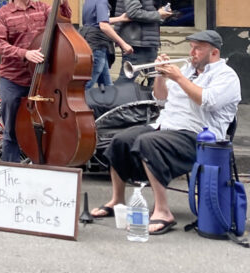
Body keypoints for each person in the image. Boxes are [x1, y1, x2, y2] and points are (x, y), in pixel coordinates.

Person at [91, 30, 241, 234]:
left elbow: (206, 100)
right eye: (191, 46)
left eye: (198, 48)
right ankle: (117, 201)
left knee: (149, 142)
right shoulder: (188, 70)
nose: (192, 52)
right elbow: (160, 99)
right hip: (165, 126)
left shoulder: (226, 76)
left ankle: (163, 212)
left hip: (199, 135)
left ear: (213, 52)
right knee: (120, 140)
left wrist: (178, 77)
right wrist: (160, 76)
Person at [0, 0, 71, 163]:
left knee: (44, 127)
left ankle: (43, 168)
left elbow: (64, 20)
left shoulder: (43, 8)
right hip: (14, 79)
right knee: (11, 129)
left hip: (42, 79)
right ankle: (9, 172)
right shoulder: (3, 14)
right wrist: (25, 53)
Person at [114, 0, 172, 73]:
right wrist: (158, 14)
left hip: (142, 42)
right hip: (138, 43)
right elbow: (133, 12)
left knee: (152, 77)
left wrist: (160, 15)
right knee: (128, 79)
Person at [82, 0, 132, 87]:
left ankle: (109, 104)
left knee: (106, 83)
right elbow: (103, 25)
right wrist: (123, 44)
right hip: (97, 44)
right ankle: (76, 104)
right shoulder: (101, 0)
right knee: (89, 82)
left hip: (89, 42)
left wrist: (120, 18)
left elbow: (97, 21)